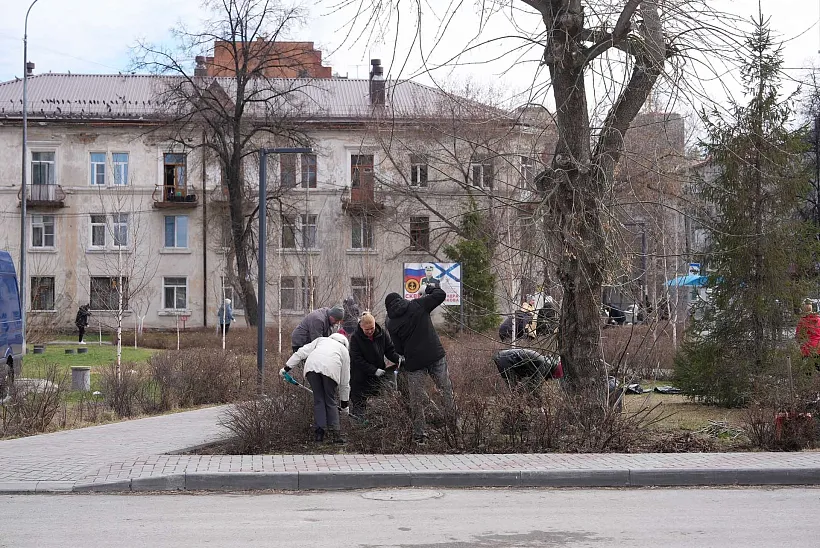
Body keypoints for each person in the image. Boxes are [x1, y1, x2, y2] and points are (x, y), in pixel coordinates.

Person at [385, 283, 455, 444]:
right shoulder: (417, 305)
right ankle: (454, 428)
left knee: (416, 399)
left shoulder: (391, 323)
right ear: (401, 299)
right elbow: (441, 295)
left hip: (414, 363)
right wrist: (429, 288)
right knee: (446, 391)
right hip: (435, 355)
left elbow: (399, 348)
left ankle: (420, 435)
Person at [280, 333, 351, 444]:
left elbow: (301, 353)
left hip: (311, 368)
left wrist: (286, 368)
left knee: (319, 400)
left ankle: (319, 435)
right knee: (330, 401)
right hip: (331, 371)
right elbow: (345, 382)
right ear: (345, 343)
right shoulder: (344, 351)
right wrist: (344, 404)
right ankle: (335, 435)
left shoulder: (321, 340)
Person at [349, 311, 402, 417]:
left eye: (372, 328)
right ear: (361, 327)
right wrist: (373, 370)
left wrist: (398, 359)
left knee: (380, 400)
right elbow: (357, 359)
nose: (370, 331)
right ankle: (358, 425)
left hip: (378, 374)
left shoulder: (381, 334)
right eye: (367, 330)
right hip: (360, 376)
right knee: (359, 404)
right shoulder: (355, 338)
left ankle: (376, 421)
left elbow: (389, 350)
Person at [493, 348, 563, 392]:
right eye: (553, 377)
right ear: (554, 373)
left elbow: (531, 382)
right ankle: (514, 412)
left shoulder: (546, 362)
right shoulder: (546, 365)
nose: (551, 379)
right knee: (514, 389)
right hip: (505, 360)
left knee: (517, 388)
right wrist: (539, 405)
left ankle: (516, 411)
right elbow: (535, 386)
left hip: (504, 358)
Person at [796, 301, 820, 369]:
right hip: (818, 348)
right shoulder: (818, 320)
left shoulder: (802, 321)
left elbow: (798, 336)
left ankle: (808, 378)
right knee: (818, 367)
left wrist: (800, 343)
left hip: (806, 349)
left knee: (807, 370)